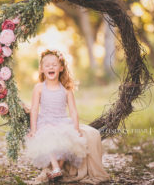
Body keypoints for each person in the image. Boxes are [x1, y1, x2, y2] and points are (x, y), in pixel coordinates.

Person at [23, 49, 110, 184]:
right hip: (45, 121)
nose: (51, 67)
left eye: (54, 65)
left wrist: (76, 128)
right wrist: (34, 129)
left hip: (62, 121)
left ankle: (59, 167)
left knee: (69, 138)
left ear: (61, 68)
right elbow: (34, 109)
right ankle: (56, 167)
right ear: (41, 69)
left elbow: (73, 111)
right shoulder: (39, 88)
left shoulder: (66, 89)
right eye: (47, 65)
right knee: (48, 136)